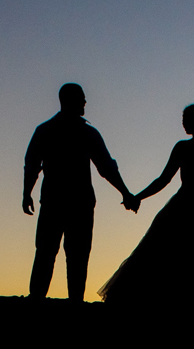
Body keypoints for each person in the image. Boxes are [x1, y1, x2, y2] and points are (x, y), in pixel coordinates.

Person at [98, 103, 194, 314]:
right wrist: (138, 196)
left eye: (186, 119)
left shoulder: (193, 148)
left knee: (192, 258)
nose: (183, 124)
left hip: (192, 208)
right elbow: (164, 180)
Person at [23, 83, 137, 303]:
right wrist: (125, 193)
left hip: (57, 201)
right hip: (76, 203)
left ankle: (39, 299)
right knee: (72, 254)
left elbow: (32, 165)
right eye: (81, 98)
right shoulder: (86, 133)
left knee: (50, 252)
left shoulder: (46, 130)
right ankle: (70, 301)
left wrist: (27, 193)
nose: (85, 102)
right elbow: (106, 167)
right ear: (71, 101)